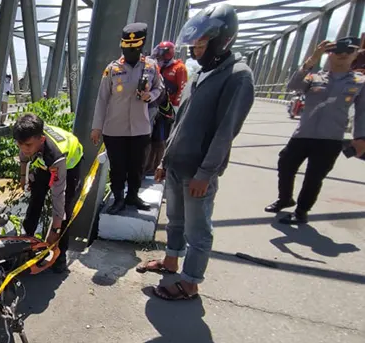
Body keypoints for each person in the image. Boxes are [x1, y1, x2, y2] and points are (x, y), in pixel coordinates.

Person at [136, 4, 255, 300]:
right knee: (175, 220)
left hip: (198, 170)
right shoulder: (202, 73)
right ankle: (171, 261)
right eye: (195, 43)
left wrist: (206, 172)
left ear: (221, 40)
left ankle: (190, 283)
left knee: (198, 230)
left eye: (202, 43)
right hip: (177, 164)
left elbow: (226, 131)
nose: (196, 49)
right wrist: (164, 159)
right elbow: (180, 120)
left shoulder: (238, 76)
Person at [264, 37, 365, 224]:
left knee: (314, 176)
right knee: (285, 164)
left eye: (348, 52)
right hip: (303, 134)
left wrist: (360, 137)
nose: (342, 55)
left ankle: (302, 211)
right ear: (329, 54)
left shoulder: (360, 82)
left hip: (330, 138)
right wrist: (311, 60)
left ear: (355, 55)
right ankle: (285, 198)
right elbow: (292, 86)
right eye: (337, 51)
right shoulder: (314, 77)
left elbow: (362, 113)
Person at [91, 22, 164, 214]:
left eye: (134, 49)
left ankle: (133, 196)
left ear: (141, 46)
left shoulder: (151, 66)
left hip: (141, 128)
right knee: (118, 167)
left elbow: (160, 87)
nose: (130, 52)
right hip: (114, 129)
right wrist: (96, 127)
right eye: (127, 48)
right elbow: (102, 99)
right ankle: (118, 199)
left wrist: (151, 96)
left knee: (137, 165)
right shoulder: (112, 69)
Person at [16, 113, 83, 273]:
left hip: (69, 164)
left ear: (41, 140)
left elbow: (58, 196)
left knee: (64, 209)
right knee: (35, 201)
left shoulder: (56, 156)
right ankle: (27, 247)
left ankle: (60, 256)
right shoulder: (27, 138)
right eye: (20, 144)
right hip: (44, 161)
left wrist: (55, 230)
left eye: (28, 145)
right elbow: (24, 155)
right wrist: (23, 176)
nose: (24, 149)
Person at [144, 42, 186, 174]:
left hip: (166, 108)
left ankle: (157, 165)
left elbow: (182, 89)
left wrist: (175, 109)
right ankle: (147, 165)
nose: (159, 56)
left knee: (160, 138)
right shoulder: (157, 66)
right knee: (149, 137)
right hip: (154, 105)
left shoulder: (179, 68)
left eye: (161, 53)